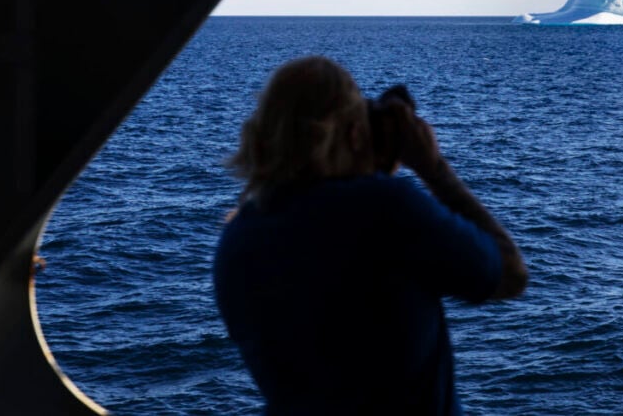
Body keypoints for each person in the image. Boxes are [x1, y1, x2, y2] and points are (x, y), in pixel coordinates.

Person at [213, 56, 527, 415]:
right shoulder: (386, 208)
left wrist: (368, 171)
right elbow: (508, 274)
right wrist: (432, 168)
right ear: (353, 132)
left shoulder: (237, 239)